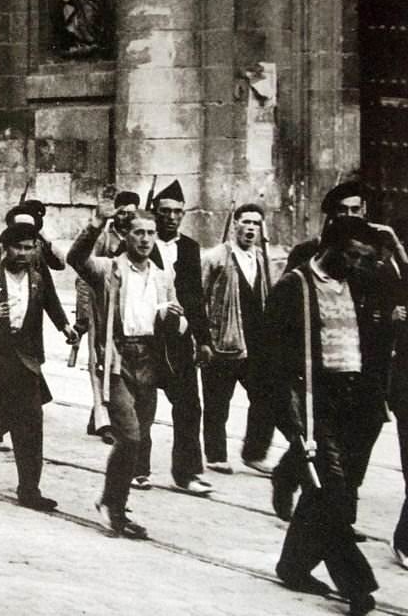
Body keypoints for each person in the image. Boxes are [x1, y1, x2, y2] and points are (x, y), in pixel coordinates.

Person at [266, 217, 388, 616]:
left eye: (361, 257)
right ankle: (358, 588)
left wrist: (394, 245)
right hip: (315, 402)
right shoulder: (294, 287)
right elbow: (271, 363)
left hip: (355, 403)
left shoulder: (360, 282)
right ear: (327, 247)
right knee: (333, 497)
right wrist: (291, 423)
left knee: (326, 493)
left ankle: (294, 565)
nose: (355, 263)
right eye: (350, 254)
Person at [68, 195, 187, 539]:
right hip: (117, 360)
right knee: (130, 436)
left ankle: (112, 499)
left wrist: (174, 320)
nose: (146, 239)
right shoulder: (108, 269)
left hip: (149, 359)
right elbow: (76, 259)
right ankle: (114, 507)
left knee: (139, 439)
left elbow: (178, 317)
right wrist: (95, 224)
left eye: (151, 233)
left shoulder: (163, 276)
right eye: (139, 233)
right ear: (126, 235)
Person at [0, 222, 79, 510]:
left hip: (25, 362)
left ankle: (30, 490)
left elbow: (51, 305)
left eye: (29, 247)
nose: (23, 253)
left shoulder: (37, 278)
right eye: (17, 247)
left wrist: (65, 328)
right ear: (5, 248)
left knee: (31, 424)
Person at [145, 180, 214, 496]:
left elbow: (196, 296)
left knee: (189, 406)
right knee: (143, 405)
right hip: (146, 338)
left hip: (180, 340)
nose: (171, 217)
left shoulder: (189, 248)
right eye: (165, 212)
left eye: (177, 212)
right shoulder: (140, 242)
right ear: (154, 213)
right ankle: (137, 469)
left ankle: (186, 473)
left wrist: (203, 339)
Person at [199, 203, 274, 474]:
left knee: (266, 397)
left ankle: (254, 453)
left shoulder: (262, 260)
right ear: (235, 225)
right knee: (217, 402)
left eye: (256, 223)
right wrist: (202, 338)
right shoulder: (215, 257)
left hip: (254, 345)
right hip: (221, 343)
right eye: (246, 222)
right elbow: (197, 297)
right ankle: (216, 455)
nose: (251, 228)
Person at [75, 190, 139, 444]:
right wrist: (83, 315)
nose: (125, 217)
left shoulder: (139, 235)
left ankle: (100, 415)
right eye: (121, 212)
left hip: (128, 308)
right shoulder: (104, 236)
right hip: (101, 307)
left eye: (130, 212)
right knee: (102, 360)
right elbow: (84, 273)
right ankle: (104, 419)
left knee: (118, 363)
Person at [285, 181, 369, 273]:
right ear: (333, 214)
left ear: (363, 209)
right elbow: (288, 284)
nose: (349, 215)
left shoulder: (373, 249)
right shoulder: (306, 251)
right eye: (342, 210)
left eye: (355, 210)